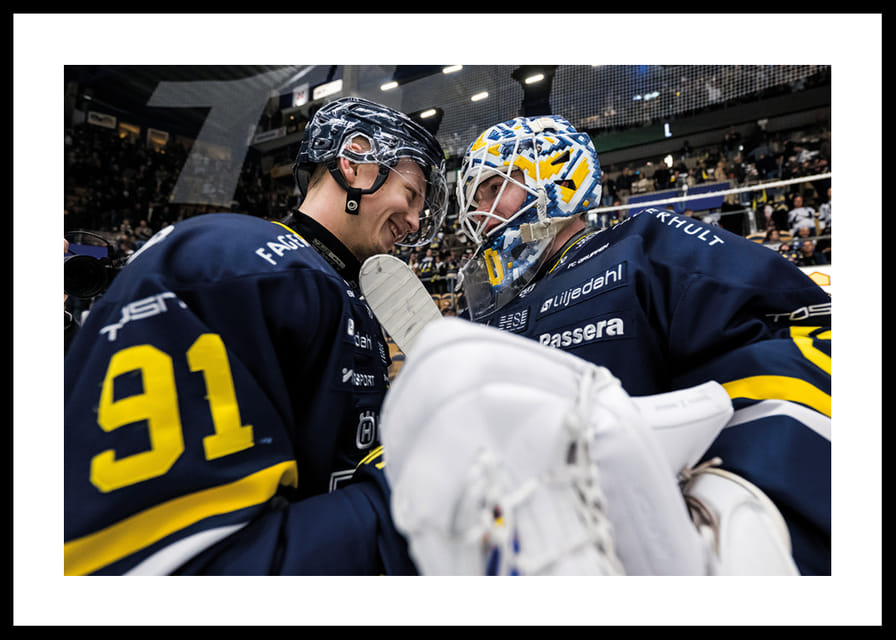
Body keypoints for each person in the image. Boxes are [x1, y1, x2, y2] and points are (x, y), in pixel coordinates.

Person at [383, 115, 830, 576]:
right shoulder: (492, 313)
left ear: (560, 178)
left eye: (495, 187)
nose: (480, 211)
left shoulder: (645, 244)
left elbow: (794, 334)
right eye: (476, 197)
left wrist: (735, 490)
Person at [63, 96, 448, 575]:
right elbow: (175, 566)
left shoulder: (337, 287)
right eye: (412, 194)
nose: (414, 220)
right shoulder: (242, 263)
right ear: (354, 163)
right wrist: (415, 483)